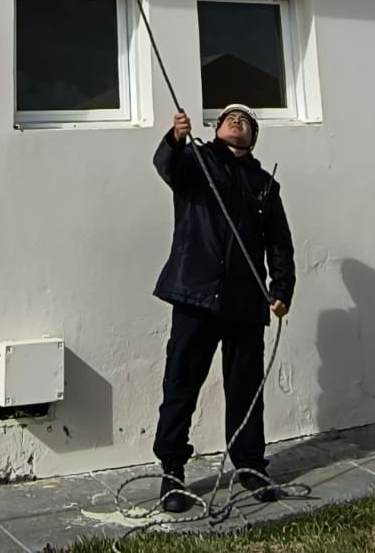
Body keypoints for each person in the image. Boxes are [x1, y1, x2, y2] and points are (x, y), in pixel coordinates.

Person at [151, 103, 295, 511]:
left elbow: (279, 243)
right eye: (230, 118)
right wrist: (176, 139)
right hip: (195, 294)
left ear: (253, 138)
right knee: (181, 384)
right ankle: (173, 473)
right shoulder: (197, 162)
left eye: (247, 121)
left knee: (246, 388)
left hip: (246, 302)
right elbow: (169, 167)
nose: (238, 121)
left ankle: (250, 467)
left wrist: (281, 286)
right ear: (216, 129)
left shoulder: (265, 185)